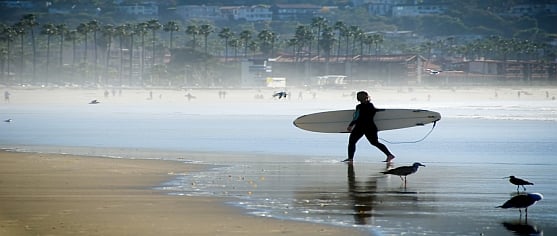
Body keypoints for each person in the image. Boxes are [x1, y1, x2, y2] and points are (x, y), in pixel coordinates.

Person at [343, 91, 395, 163]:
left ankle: (350, 158)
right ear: (367, 97)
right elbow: (374, 111)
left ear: (358, 98)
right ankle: (389, 155)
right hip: (371, 127)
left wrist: (350, 125)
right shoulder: (371, 106)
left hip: (360, 127)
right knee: (374, 142)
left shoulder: (359, 107)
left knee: (352, 142)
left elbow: (356, 117)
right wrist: (383, 110)